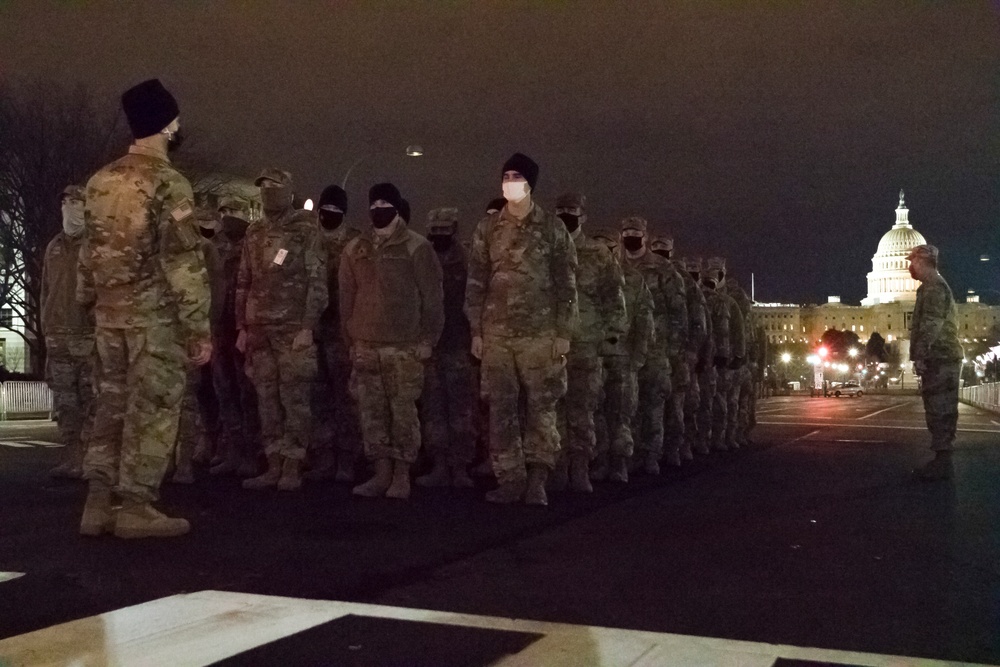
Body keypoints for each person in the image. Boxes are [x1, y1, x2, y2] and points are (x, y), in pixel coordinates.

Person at [77, 79, 211, 539]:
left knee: (109, 404)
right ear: (168, 123)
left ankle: (97, 503)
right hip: (154, 319)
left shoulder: (99, 181)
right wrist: (198, 327)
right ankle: (135, 506)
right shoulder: (169, 183)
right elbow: (182, 262)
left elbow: (87, 254)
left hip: (108, 316)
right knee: (153, 407)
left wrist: (87, 304)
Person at [465, 153, 578, 506]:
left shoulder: (552, 228)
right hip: (497, 335)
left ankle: (538, 479)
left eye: (516, 176)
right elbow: (476, 281)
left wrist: (563, 333)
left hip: (540, 335)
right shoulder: (488, 228)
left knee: (542, 407)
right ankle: (510, 479)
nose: (510, 180)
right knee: (501, 409)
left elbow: (566, 283)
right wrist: (477, 331)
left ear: (530, 183)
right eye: (506, 175)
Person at [340, 183, 444, 500]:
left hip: (404, 346)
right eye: (374, 203)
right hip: (366, 345)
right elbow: (346, 298)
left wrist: (428, 338)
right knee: (371, 413)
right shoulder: (355, 248)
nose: (378, 208)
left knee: (402, 412)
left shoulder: (417, 247)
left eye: (385, 202)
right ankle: (381, 473)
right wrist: (350, 339)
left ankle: (401, 475)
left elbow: (433, 299)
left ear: (397, 207)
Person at [237, 168, 327, 491]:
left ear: (288, 190)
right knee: (266, 398)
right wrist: (242, 326)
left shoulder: (305, 229)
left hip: (292, 329)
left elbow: (317, 280)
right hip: (260, 329)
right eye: (263, 186)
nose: (268, 191)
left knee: (295, 397)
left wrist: (307, 326)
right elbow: (244, 281)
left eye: (274, 186)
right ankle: (273, 463)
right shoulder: (254, 232)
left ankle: (293, 464)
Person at [551, 193, 626, 493]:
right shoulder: (546, 250)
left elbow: (615, 300)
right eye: (561, 211)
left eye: (572, 211)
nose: (566, 216)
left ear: (583, 216)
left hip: (586, 344)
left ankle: (581, 468)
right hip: (552, 345)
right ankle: (557, 468)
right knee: (552, 410)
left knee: (582, 410)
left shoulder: (598, 254)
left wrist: (610, 338)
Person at [618, 217, 687, 474]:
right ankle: (626, 455)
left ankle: (651, 456)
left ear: (645, 236)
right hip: (624, 348)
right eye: (626, 231)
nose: (630, 235)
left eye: (635, 231)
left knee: (653, 404)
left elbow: (678, 313)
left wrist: (675, 351)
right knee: (624, 406)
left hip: (658, 349)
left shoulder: (662, 269)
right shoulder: (615, 266)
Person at [416, 207, 477, 488]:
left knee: (461, 408)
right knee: (433, 408)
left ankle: (461, 467)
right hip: (429, 345)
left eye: (445, 230)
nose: (439, 235)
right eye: (435, 230)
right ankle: (439, 464)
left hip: (457, 342)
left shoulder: (467, 259)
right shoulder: (421, 257)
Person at [307, 184, 363, 483]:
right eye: (325, 209)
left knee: (345, 398)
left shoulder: (355, 242)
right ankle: (323, 456)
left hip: (342, 331)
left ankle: (347, 458)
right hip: (313, 329)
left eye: (334, 211)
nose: (328, 215)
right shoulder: (308, 239)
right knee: (318, 397)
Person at [41, 185, 95, 479]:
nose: (69, 206)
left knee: (92, 401)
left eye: (75, 201)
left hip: (88, 336)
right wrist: (45, 325)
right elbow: (45, 290)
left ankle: (91, 461)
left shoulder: (97, 243)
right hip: (58, 337)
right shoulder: (54, 246)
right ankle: (72, 457)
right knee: (65, 403)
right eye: (65, 201)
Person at [590, 229, 653, 483]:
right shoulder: (585, 277)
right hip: (592, 358)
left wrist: (638, 358)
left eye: (609, 250)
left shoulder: (633, 280)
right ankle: (599, 461)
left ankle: (619, 464)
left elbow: (644, 323)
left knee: (620, 415)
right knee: (593, 414)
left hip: (621, 360)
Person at [209, 197, 259, 477]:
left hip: (243, 328)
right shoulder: (215, 245)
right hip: (219, 328)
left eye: (234, 211)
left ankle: (252, 452)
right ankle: (232, 449)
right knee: (224, 391)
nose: (228, 217)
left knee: (247, 392)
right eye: (224, 211)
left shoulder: (253, 242)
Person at [907, 244, 963, 480]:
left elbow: (931, 325)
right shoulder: (929, 287)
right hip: (941, 357)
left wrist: (920, 354)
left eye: (912, 261)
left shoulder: (933, 288)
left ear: (922, 262)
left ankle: (942, 464)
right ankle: (942, 462)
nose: (910, 266)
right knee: (939, 409)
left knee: (941, 410)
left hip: (941, 358)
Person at [651, 236, 706, 463]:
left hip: (678, 353)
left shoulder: (683, 280)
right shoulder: (638, 273)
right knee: (650, 405)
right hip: (652, 352)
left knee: (678, 405)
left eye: (663, 249)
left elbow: (697, 320)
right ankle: (650, 452)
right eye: (656, 248)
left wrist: (694, 352)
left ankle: (677, 446)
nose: (659, 253)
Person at [704, 257, 744, 452]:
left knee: (725, 402)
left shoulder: (729, 302)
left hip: (724, 361)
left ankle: (724, 437)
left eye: (717, 274)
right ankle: (703, 439)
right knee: (703, 402)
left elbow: (739, 330)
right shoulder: (699, 299)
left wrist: (739, 355)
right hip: (705, 360)